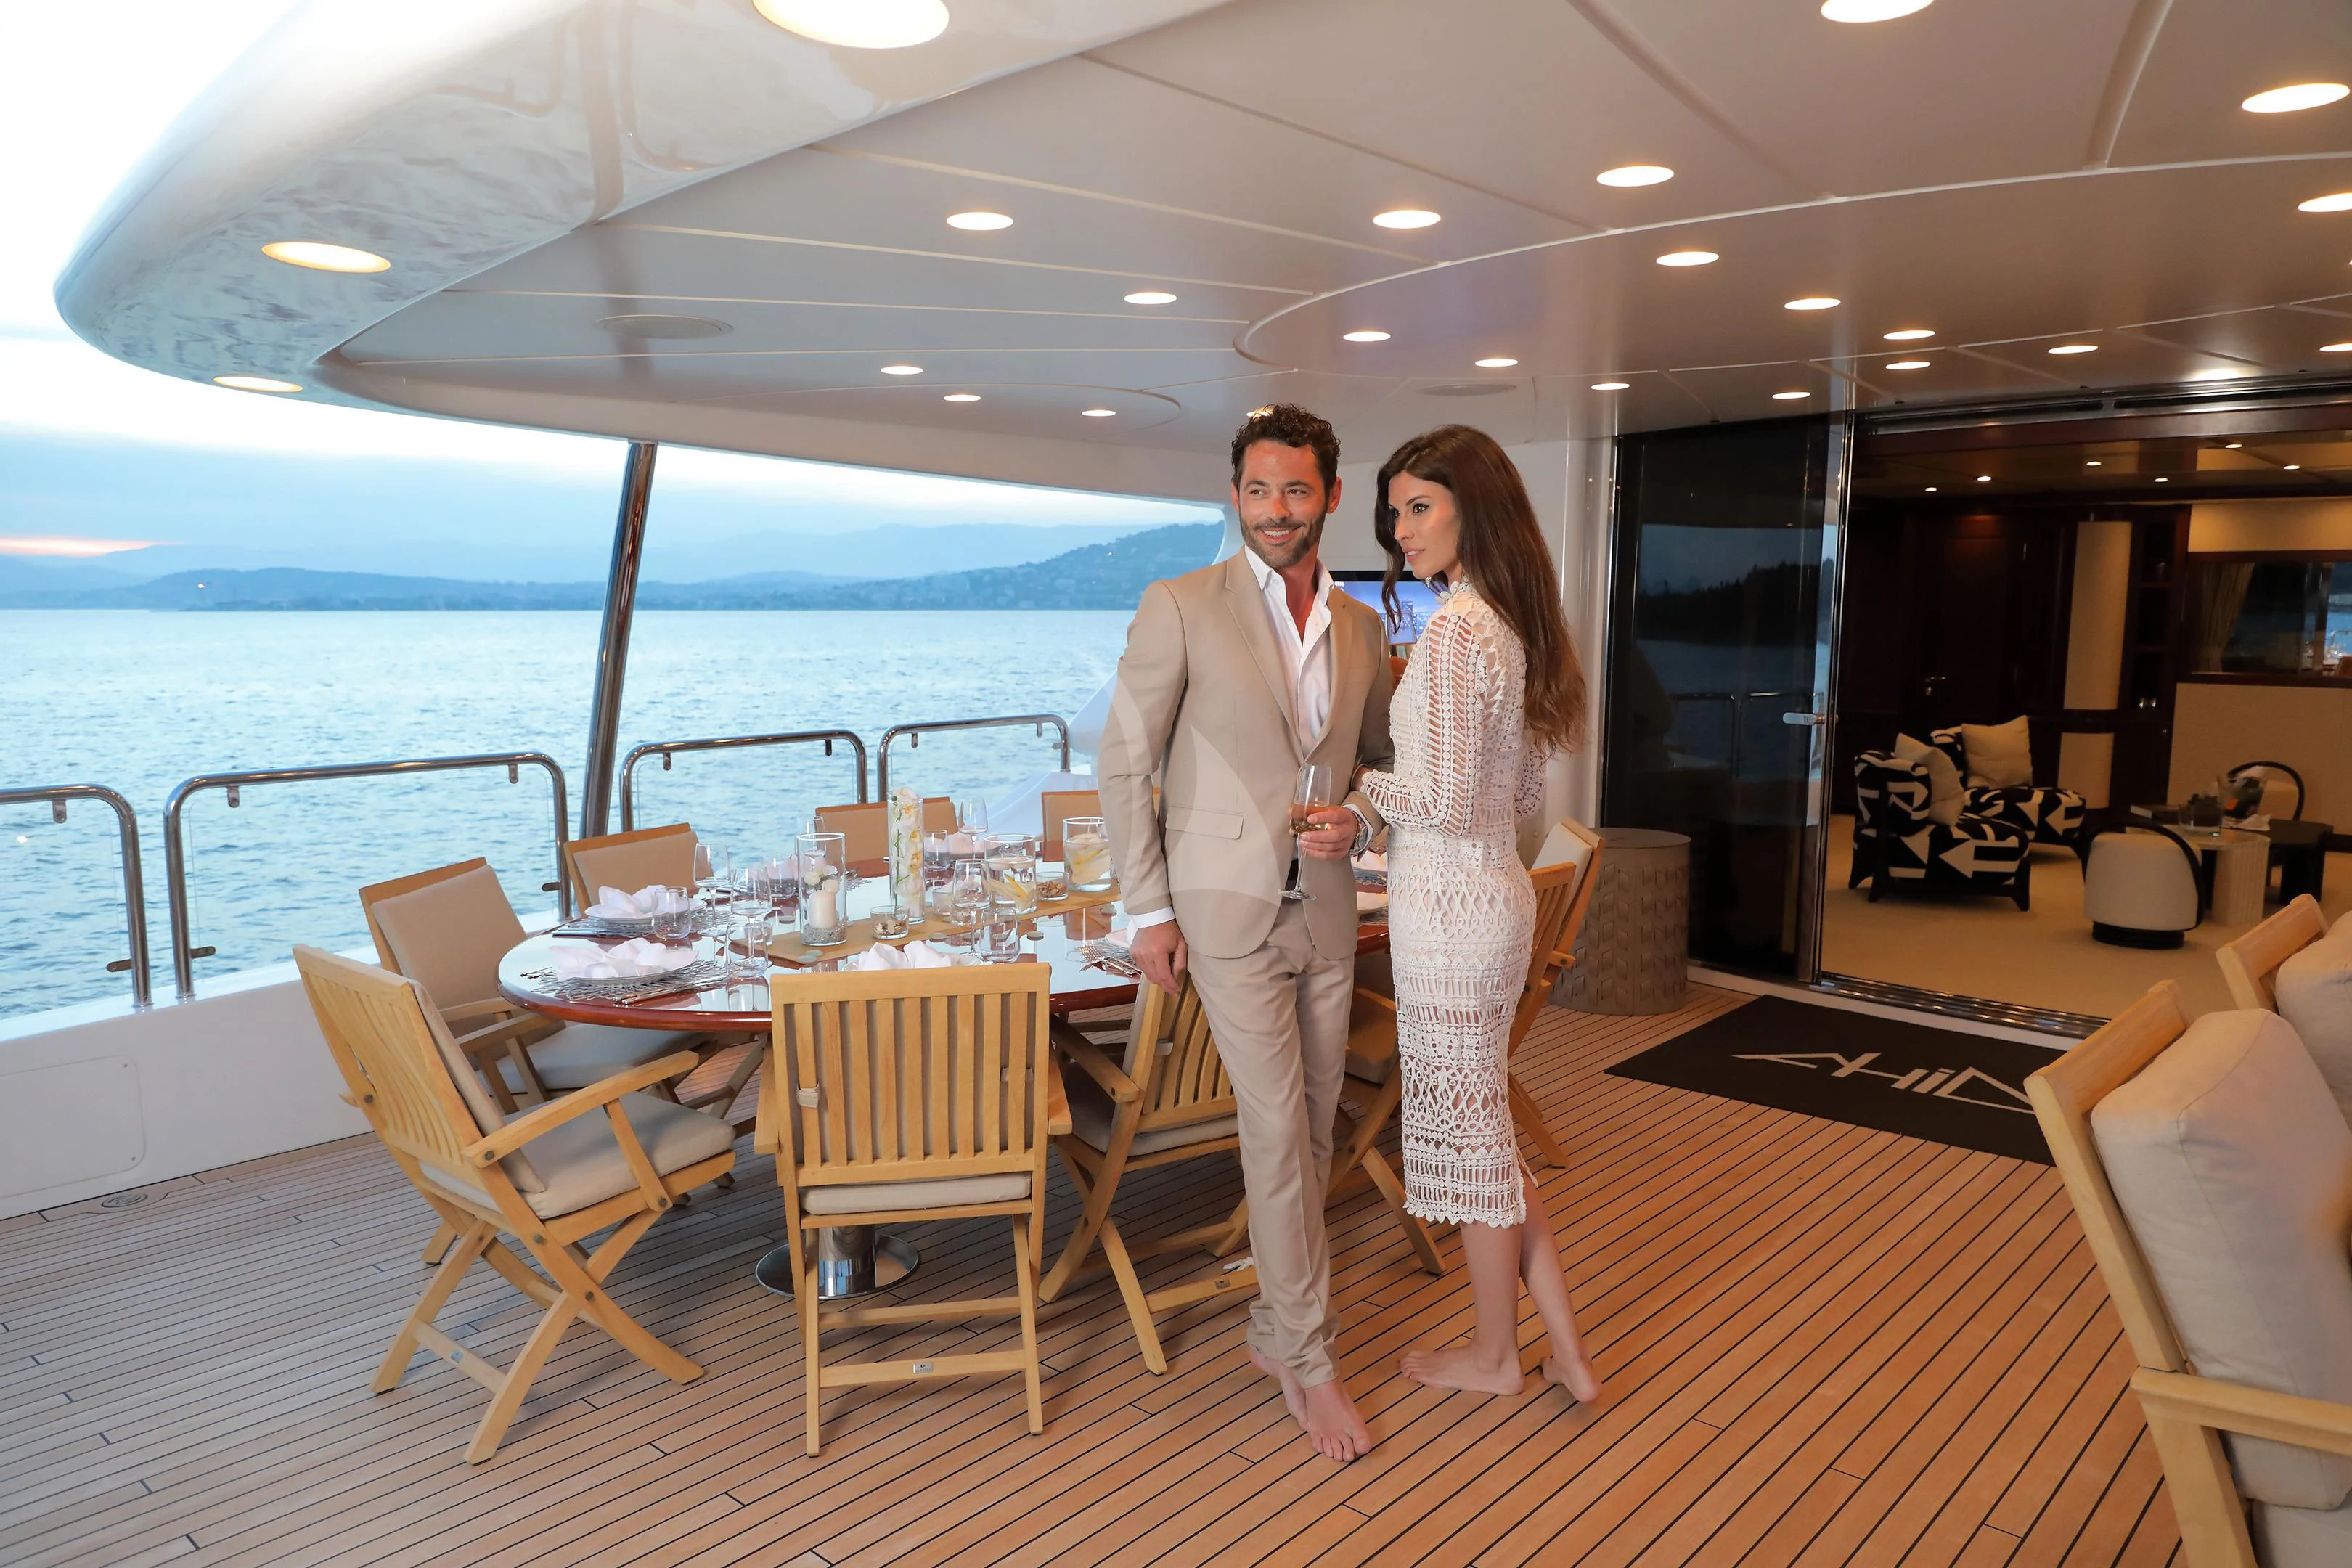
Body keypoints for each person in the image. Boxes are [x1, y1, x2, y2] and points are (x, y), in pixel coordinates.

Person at [1097, 404, 1396, 1462]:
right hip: (1221, 910)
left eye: (1296, 490)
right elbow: (1125, 761)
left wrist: (1359, 818)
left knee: (1312, 1131)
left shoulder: (1361, 628)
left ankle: (1276, 1329)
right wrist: (1149, 910)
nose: (1276, 510)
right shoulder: (1180, 604)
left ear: (1331, 496)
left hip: (1325, 905)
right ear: (1236, 496)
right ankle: (1310, 1361)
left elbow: (1381, 761)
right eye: (1259, 491)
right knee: (1275, 1131)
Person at [1354, 424, 1606, 1403]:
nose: (1402, 530)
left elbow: (1449, 802)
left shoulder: (1459, 630)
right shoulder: (1510, 623)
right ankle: (1565, 1350)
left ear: (1475, 508)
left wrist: (1361, 786)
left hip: (1450, 916)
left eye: (1420, 507)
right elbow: (1516, 801)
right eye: (1395, 512)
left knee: (1479, 1147)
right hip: (1492, 899)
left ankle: (1498, 1356)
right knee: (1486, 1137)